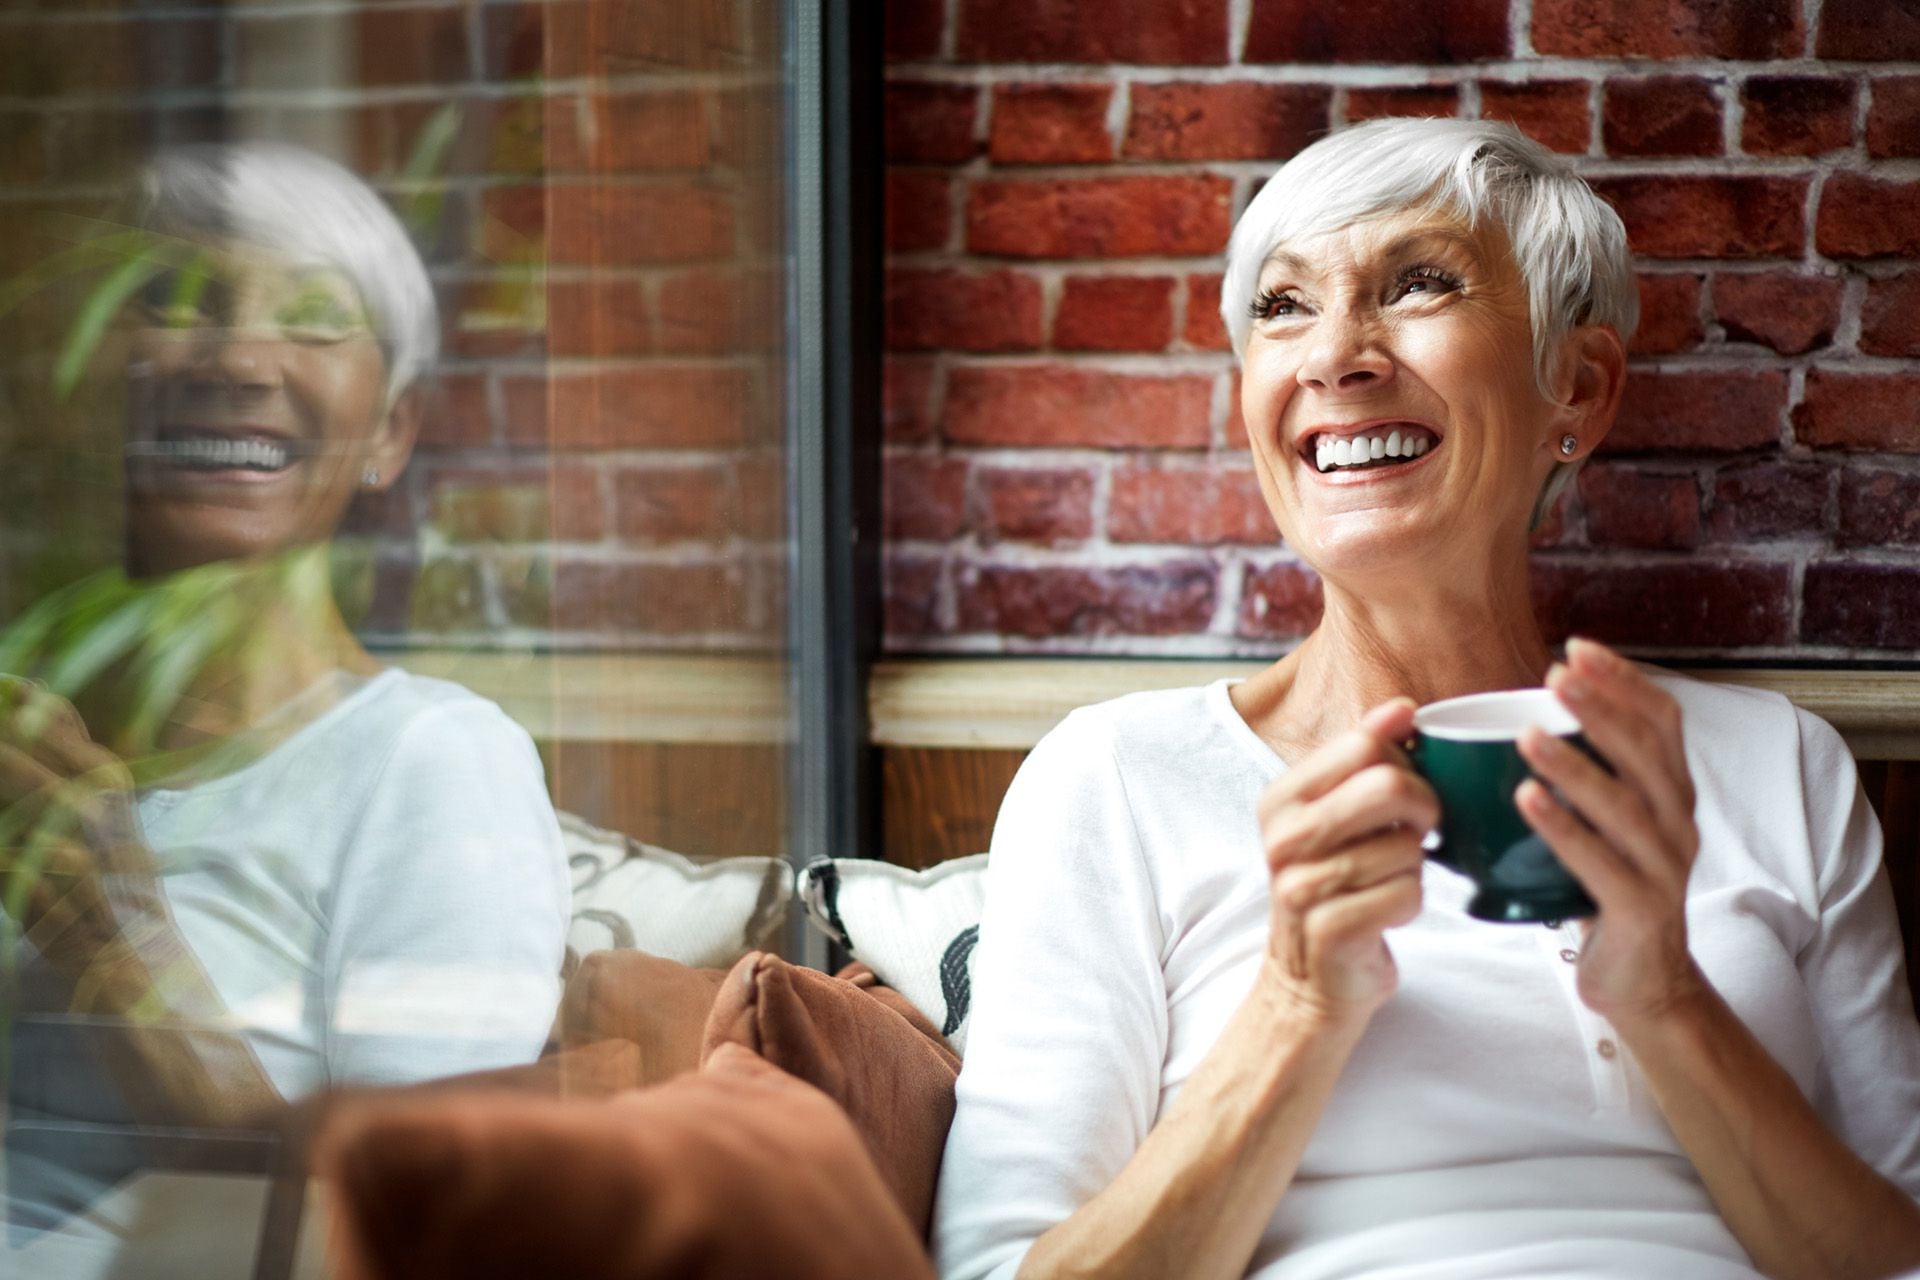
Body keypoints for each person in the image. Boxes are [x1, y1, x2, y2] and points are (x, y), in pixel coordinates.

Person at [933, 118, 1920, 1280]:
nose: (1334, 356)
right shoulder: (1114, 777)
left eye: (1417, 284)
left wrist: (1664, 996)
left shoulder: (1778, 765)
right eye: (1284, 306)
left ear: (1580, 386)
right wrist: (1295, 1003)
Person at [2, 143, 569, 1270]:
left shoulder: (432, 762)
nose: (239, 355)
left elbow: (407, 1226)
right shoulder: (25, 718)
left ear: (389, 434)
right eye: (172, 303)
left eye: (312, 319)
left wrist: (108, 932)